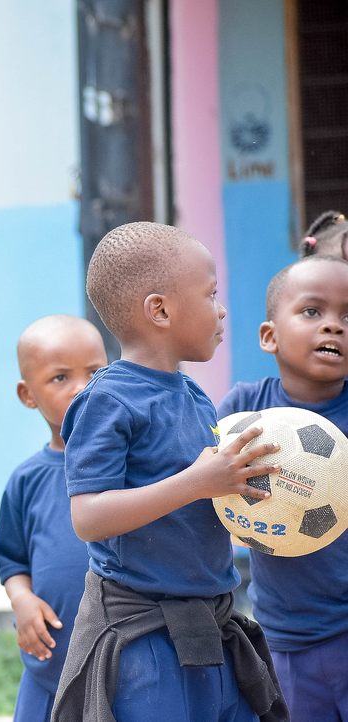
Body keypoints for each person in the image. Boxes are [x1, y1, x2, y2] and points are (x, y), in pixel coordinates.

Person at [50, 222, 288, 722]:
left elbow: (203, 498)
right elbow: (88, 517)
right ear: (160, 310)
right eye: (210, 294)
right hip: (145, 639)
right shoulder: (106, 401)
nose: (221, 310)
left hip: (215, 619)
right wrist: (196, 483)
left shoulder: (192, 394)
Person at [217, 255, 348, 721]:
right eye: (312, 311)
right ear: (269, 336)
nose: (333, 325)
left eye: (347, 316)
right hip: (283, 635)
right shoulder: (245, 410)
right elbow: (204, 478)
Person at [0, 314, 106, 721]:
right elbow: (12, 560)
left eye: (94, 372)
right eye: (60, 378)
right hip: (48, 670)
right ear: (28, 394)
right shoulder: (27, 480)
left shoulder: (133, 468)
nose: (82, 388)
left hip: (122, 667)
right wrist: (21, 600)